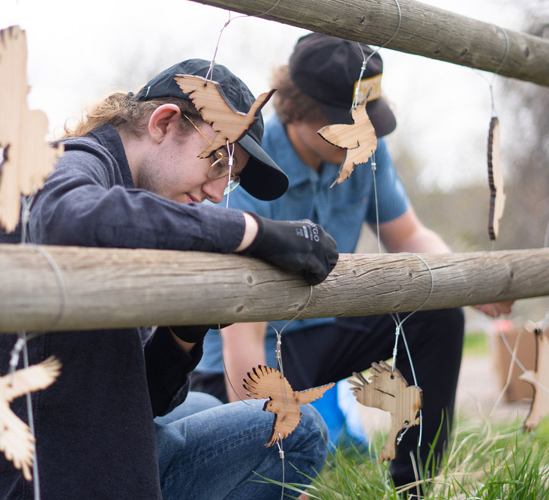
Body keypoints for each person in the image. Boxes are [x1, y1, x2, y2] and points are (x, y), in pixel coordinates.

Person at [0, 58, 339, 500]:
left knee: (201, 404)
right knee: (298, 429)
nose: (215, 192)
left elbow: (137, 398)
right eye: (219, 163)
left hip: (63, 451)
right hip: (16, 482)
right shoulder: (59, 166)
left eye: (231, 179)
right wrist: (253, 232)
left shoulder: (139, 205)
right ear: (164, 123)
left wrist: (183, 332)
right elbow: (67, 217)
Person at [191, 34, 514, 493]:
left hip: (320, 330)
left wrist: (469, 283)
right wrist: (270, 465)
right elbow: (242, 338)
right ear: (301, 111)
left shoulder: (366, 150)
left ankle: (414, 487)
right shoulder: (249, 161)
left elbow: (410, 236)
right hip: (242, 354)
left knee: (440, 315)